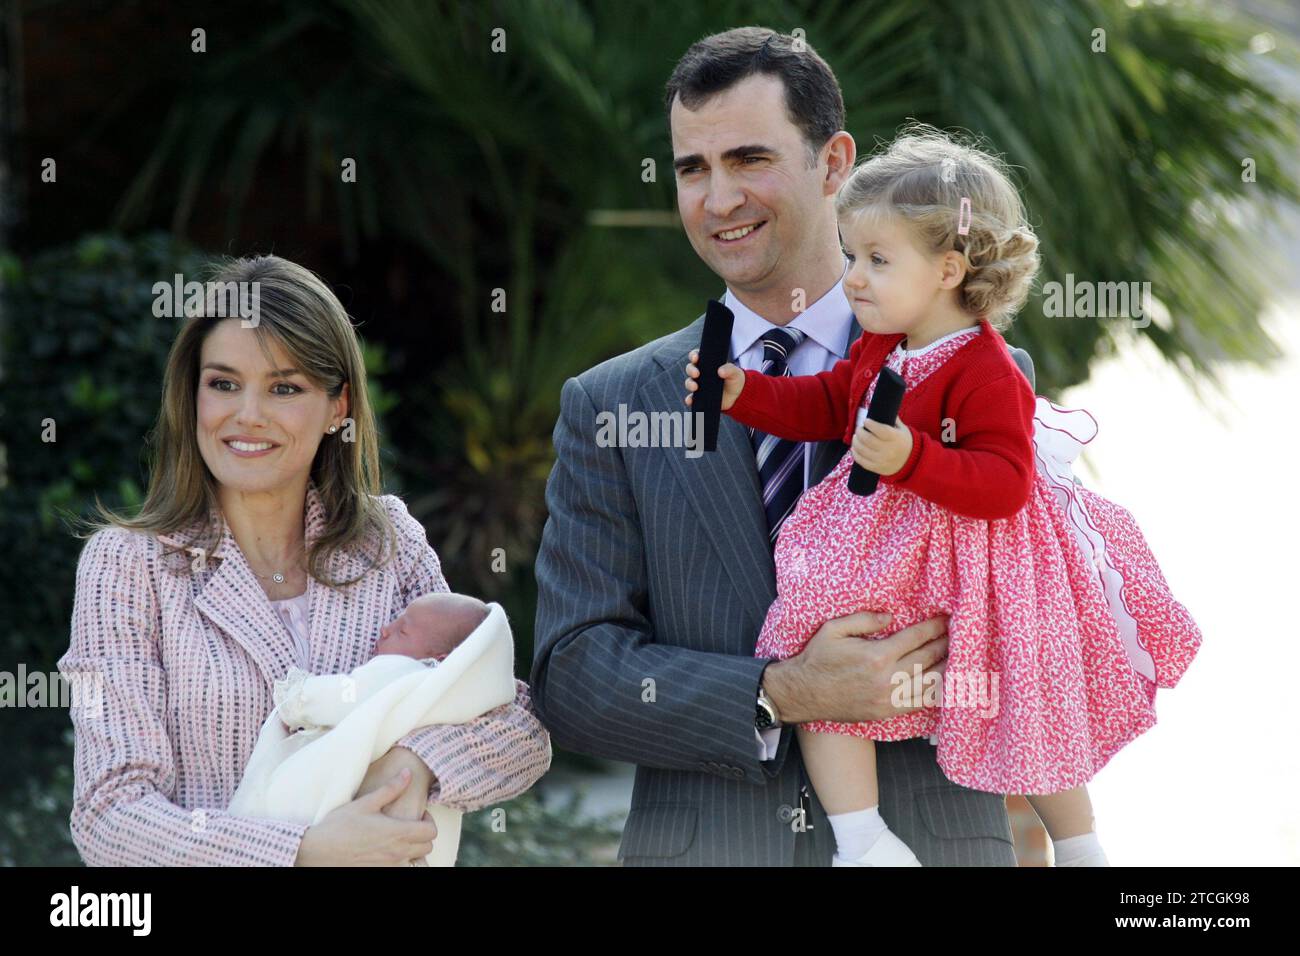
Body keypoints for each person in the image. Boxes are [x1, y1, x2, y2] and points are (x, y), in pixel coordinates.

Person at [532, 27, 1033, 865]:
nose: (718, 198)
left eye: (750, 160)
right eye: (694, 169)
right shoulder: (611, 405)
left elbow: (1036, 610)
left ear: (835, 163)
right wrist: (781, 693)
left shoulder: (983, 372)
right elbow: (573, 679)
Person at [686, 125, 1202, 866]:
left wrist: (912, 456)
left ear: (949, 269)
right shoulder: (877, 346)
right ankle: (863, 840)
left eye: (876, 260)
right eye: (852, 255)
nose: (853, 278)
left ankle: (1079, 843)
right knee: (817, 641)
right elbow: (828, 404)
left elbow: (1005, 482)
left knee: (1030, 684)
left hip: (986, 554)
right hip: (892, 545)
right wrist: (745, 393)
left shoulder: (987, 366)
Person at [58, 255, 551, 866]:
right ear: (191, 396)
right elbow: (112, 815)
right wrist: (302, 852)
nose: (247, 415)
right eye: (223, 383)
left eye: (284, 388)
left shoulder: (386, 540)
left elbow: (516, 724)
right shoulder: (127, 565)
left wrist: (416, 763)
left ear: (337, 405)